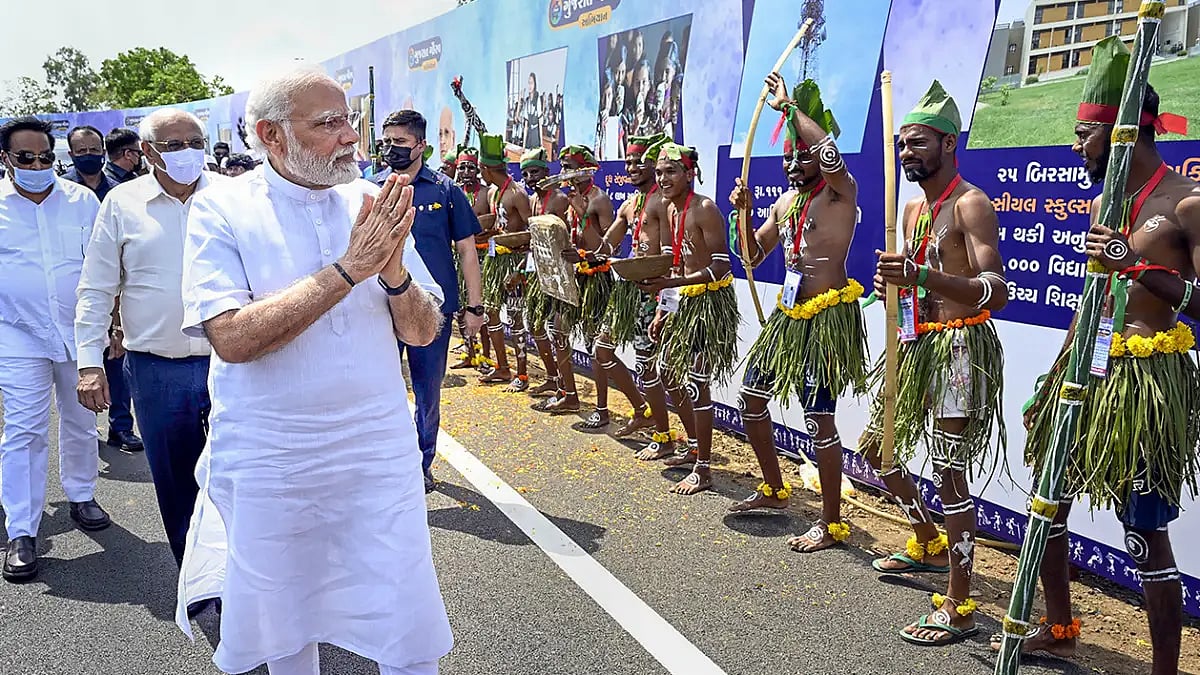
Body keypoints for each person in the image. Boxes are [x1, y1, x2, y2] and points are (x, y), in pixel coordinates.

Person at [175, 66, 451, 675]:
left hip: (374, 446)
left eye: (349, 119)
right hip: (273, 452)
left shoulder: (373, 202)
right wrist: (349, 269)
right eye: (327, 124)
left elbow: (425, 330)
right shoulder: (221, 209)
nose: (350, 136)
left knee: (402, 605)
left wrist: (395, 275)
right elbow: (233, 337)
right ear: (272, 136)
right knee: (282, 615)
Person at [998, 37, 1198, 673]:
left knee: (1143, 534)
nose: (1073, 146)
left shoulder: (1185, 204)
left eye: (1084, 134)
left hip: (1146, 382)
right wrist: (1053, 377)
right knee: (1048, 500)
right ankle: (1059, 624)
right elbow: (1093, 304)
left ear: (1122, 137)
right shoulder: (1102, 205)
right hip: (1089, 372)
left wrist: (1136, 266)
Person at [860, 81, 1007, 647]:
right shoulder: (916, 206)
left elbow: (994, 291)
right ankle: (927, 539)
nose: (906, 155)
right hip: (917, 343)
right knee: (879, 449)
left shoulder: (971, 203)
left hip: (958, 351)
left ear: (949, 143)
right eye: (901, 146)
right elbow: (911, 279)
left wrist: (920, 276)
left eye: (917, 144)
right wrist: (890, 287)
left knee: (950, 473)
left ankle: (961, 602)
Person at [75, 108, 224, 568]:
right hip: (157, 368)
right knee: (177, 480)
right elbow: (96, 285)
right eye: (174, 145)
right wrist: (89, 362)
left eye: (194, 142)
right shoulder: (122, 205)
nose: (187, 153)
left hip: (234, 361)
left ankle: (245, 575)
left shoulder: (233, 197)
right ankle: (197, 578)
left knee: (242, 474)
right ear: (147, 152)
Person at [727, 74, 868, 551]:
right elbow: (750, 255)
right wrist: (742, 214)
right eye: (786, 154)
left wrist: (788, 108)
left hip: (827, 320)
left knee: (818, 420)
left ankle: (831, 523)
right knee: (750, 398)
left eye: (799, 154)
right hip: (789, 319)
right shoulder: (786, 202)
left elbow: (830, 154)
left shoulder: (840, 193)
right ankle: (774, 488)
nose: (791, 161)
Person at [0, 117, 109, 582]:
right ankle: (22, 529)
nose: (37, 165)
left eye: (45, 157)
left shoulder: (81, 201)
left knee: (82, 419)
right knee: (24, 429)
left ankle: (81, 495)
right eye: (26, 158)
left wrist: (113, 327)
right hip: (16, 334)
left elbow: (104, 270)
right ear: (6, 159)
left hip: (77, 332)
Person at [378, 109, 484, 492]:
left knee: (427, 391)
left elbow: (468, 252)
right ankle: (385, 463)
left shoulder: (445, 190)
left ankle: (421, 464)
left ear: (421, 145)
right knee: (378, 388)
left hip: (433, 312)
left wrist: (475, 307)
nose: (392, 149)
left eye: (400, 143)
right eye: (387, 142)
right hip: (378, 310)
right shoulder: (370, 188)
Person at [636, 143, 739, 495]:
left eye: (671, 172)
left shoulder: (704, 208)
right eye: (660, 172)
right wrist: (665, 308)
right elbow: (674, 262)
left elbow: (723, 265)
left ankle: (704, 468)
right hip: (681, 302)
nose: (663, 178)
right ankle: (694, 444)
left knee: (697, 383)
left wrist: (674, 285)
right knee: (667, 372)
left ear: (689, 174)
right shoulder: (668, 209)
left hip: (709, 305)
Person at [592, 134, 684, 456]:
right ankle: (642, 411)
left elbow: (674, 255)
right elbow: (608, 242)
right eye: (627, 162)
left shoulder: (664, 202)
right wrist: (588, 256)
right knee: (601, 349)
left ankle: (665, 437)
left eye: (638, 162)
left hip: (653, 293)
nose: (631, 167)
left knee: (650, 369)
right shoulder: (630, 204)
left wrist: (665, 300)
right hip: (627, 290)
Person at [532, 144, 614, 417]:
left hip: (596, 279)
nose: (564, 172)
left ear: (585, 169)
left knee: (594, 345)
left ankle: (602, 409)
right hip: (574, 276)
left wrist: (583, 215)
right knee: (558, 332)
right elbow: (572, 240)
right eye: (563, 166)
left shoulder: (599, 200)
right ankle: (569, 395)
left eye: (570, 166)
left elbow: (605, 249)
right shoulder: (568, 198)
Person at [477, 132, 534, 391]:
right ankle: (502, 367)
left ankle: (522, 375)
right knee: (491, 312)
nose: (481, 174)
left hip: (515, 263)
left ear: (488, 169)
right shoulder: (494, 193)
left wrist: (522, 268)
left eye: (481, 169)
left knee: (516, 317)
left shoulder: (516, 193)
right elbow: (500, 226)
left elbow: (534, 232)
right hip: (495, 258)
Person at [516, 147, 568, 397]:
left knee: (556, 330)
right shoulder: (533, 200)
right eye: (525, 174)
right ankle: (552, 377)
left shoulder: (559, 199)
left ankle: (566, 389)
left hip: (558, 274)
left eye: (534, 172)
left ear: (547, 172)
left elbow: (566, 238)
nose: (529, 178)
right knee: (535, 325)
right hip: (538, 270)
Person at [448, 145, 495, 371]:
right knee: (459, 309)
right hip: (458, 258)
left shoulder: (487, 193)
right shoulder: (453, 191)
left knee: (478, 307)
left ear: (477, 170)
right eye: (462, 167)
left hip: (482, 256)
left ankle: (485, 356)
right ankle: (470, 352)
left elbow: (495, 222)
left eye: (470, 168)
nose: (466, 172)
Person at [62, 126, 119, 202]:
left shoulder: (116, 190)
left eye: (94, 150)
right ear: (71, 155)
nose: (88, 154)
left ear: (104, 153)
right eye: (82, 150)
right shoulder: (61, 189)